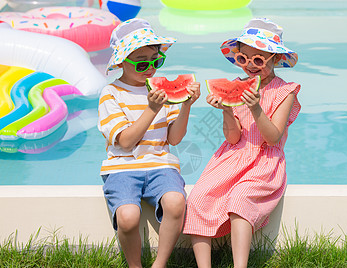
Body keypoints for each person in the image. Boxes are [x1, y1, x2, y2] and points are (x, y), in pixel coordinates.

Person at [183, 17, 301, 268]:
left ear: (276, 59)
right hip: (232, 156)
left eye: (258, 59)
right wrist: (226, 109)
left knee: (240, 200)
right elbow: (233, 137)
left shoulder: (286, 91)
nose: (250, 65)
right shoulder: (235, 86)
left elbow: (273, 137)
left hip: (265, 162)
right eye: (243, 58)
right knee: (197, 198)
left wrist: (256, 107)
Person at [97, 18, 200, 268]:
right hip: (122, 167)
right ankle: (135, 265)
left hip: (161, 164)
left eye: (157, 61)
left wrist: (185, 103)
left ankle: (160, 263)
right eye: (142, 62)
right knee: (128, 217)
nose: (151, 68)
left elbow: (174, 138)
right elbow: (125, 142)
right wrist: (152, 109)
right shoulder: (111, 93)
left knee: (177, 201)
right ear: (121, 62)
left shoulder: (160, 90)